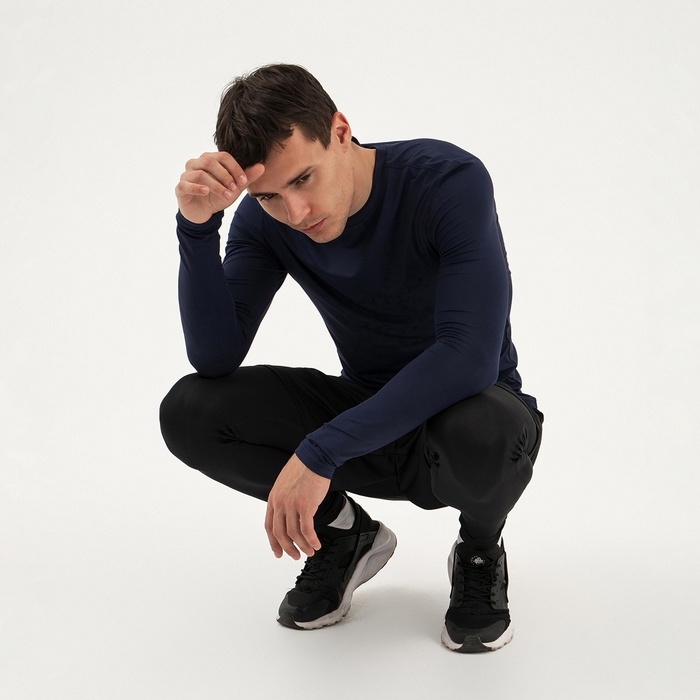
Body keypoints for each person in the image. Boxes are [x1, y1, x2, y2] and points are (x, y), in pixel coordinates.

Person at [160, 63, 543, 653]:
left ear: (340, 131)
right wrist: (196, 229)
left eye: (303, 178)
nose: (296, 212)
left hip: (465, 421)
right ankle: (344, 535)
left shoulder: (446, 180)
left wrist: (320, 451)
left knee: (485, 428)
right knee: (190, 410)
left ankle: (479, 550)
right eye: (269, 196)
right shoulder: (266, 222)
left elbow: (468, 356)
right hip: (368, 419)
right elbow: (214, 356)